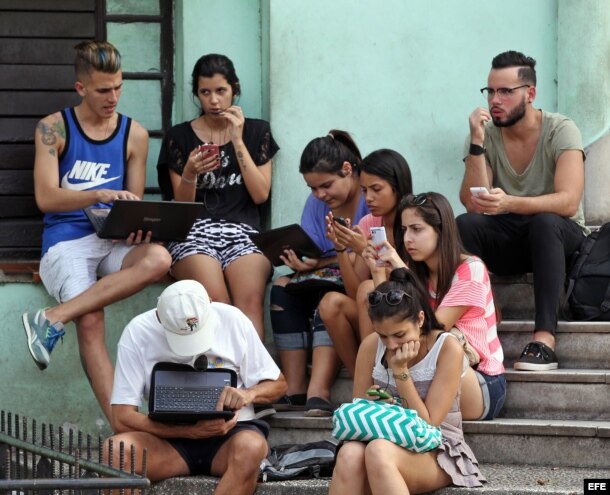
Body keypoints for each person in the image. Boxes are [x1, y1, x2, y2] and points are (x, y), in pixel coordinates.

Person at [21, 40, 172, 421]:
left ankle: (54, 317)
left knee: (159, 258)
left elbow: (132, 200)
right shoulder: (53, 128)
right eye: (104, 90)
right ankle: (124, 431)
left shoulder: (134, 134)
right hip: (66, 241)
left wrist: (135, 226)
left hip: (111, 238)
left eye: (119, 87)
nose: (114, 97)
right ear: (81, 88)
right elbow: (46, 198)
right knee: (91, 320)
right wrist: (98, 193)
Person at [457, 50, 587, 371]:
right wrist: (476, 141)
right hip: (513, 238)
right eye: (490, 91)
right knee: (464, 225)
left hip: (561, 239)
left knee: (544, 222)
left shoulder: (561, 130)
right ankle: (483, 319)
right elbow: (473, 201)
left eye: (505, 91)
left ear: (530, 94)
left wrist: (510, 203)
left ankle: (544, 340)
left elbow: (568, 201)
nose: (495, 100)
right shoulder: (485, 135)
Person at [106, 279, 287, 493]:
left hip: (229, 435)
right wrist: (189, 431)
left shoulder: (233, 319)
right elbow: (122, 417)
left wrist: (247, 394)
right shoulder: (137, 331)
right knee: (115, 452)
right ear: (159, 317)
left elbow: (278, 384)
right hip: (167, 439)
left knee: (252, 448)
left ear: (210, 303)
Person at [329, 268, 485, 494]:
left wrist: (400, 371)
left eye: (400, 335)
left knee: (378, 451)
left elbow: (429, 424)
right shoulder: (371, 346)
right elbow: (359, 415)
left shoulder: (447, 348)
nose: (391, 345)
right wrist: (372, 402)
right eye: (383, 335)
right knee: (349, 454)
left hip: (436, 447)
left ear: (420, 319)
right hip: (384, 434)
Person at [157, 53, 279, 340]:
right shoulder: (180, 137)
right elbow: (183, 207)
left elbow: (261, 195)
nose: (213, 100)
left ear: (234, 90)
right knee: (217, 305)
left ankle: (252, 383)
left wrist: (237, 139)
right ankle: (224, 379)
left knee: (250, 305)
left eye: (221, 91)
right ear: (196, 94)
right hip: (194, 233)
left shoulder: (257, 131)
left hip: (245, 233)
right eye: (205, 92)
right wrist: (189, 173)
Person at [365, 192, 506, 420]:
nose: (408, 238)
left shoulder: (471, 269)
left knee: (440, 345)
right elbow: (389, 318)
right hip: (426, 372)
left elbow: (433, 327)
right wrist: (376, 271)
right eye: (404, 230)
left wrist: (401, 270)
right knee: (391, 338)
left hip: (480, 380)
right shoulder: (416, 270)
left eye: (417, 229)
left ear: (441, 231)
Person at [270, 130, 369, 416]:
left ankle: (320, 390)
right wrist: (303, 261)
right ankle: (295, 386)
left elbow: (364, 251)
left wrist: (320, 265)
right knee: (281, 287)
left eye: (325, 185)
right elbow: (316, 249)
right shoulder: (318, 203)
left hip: (355, 278)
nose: (319, 195)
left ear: (347, 170)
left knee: (327, 290)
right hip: (328, 270)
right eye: (313, 189)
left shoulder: (370, 196)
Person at [319, 149, 413, 378]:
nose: (368, 198)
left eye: (376, 189)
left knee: (370, 289)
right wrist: (341, 247)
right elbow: (354, 291)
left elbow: (413, 285)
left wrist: (364, 250)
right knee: (331, 302)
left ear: (397, 186)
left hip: (410, 308)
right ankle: (363, 380)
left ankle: (379, 377)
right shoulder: (368, 222)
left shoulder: (415, 220)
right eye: (364, 190)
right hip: (374, 308)